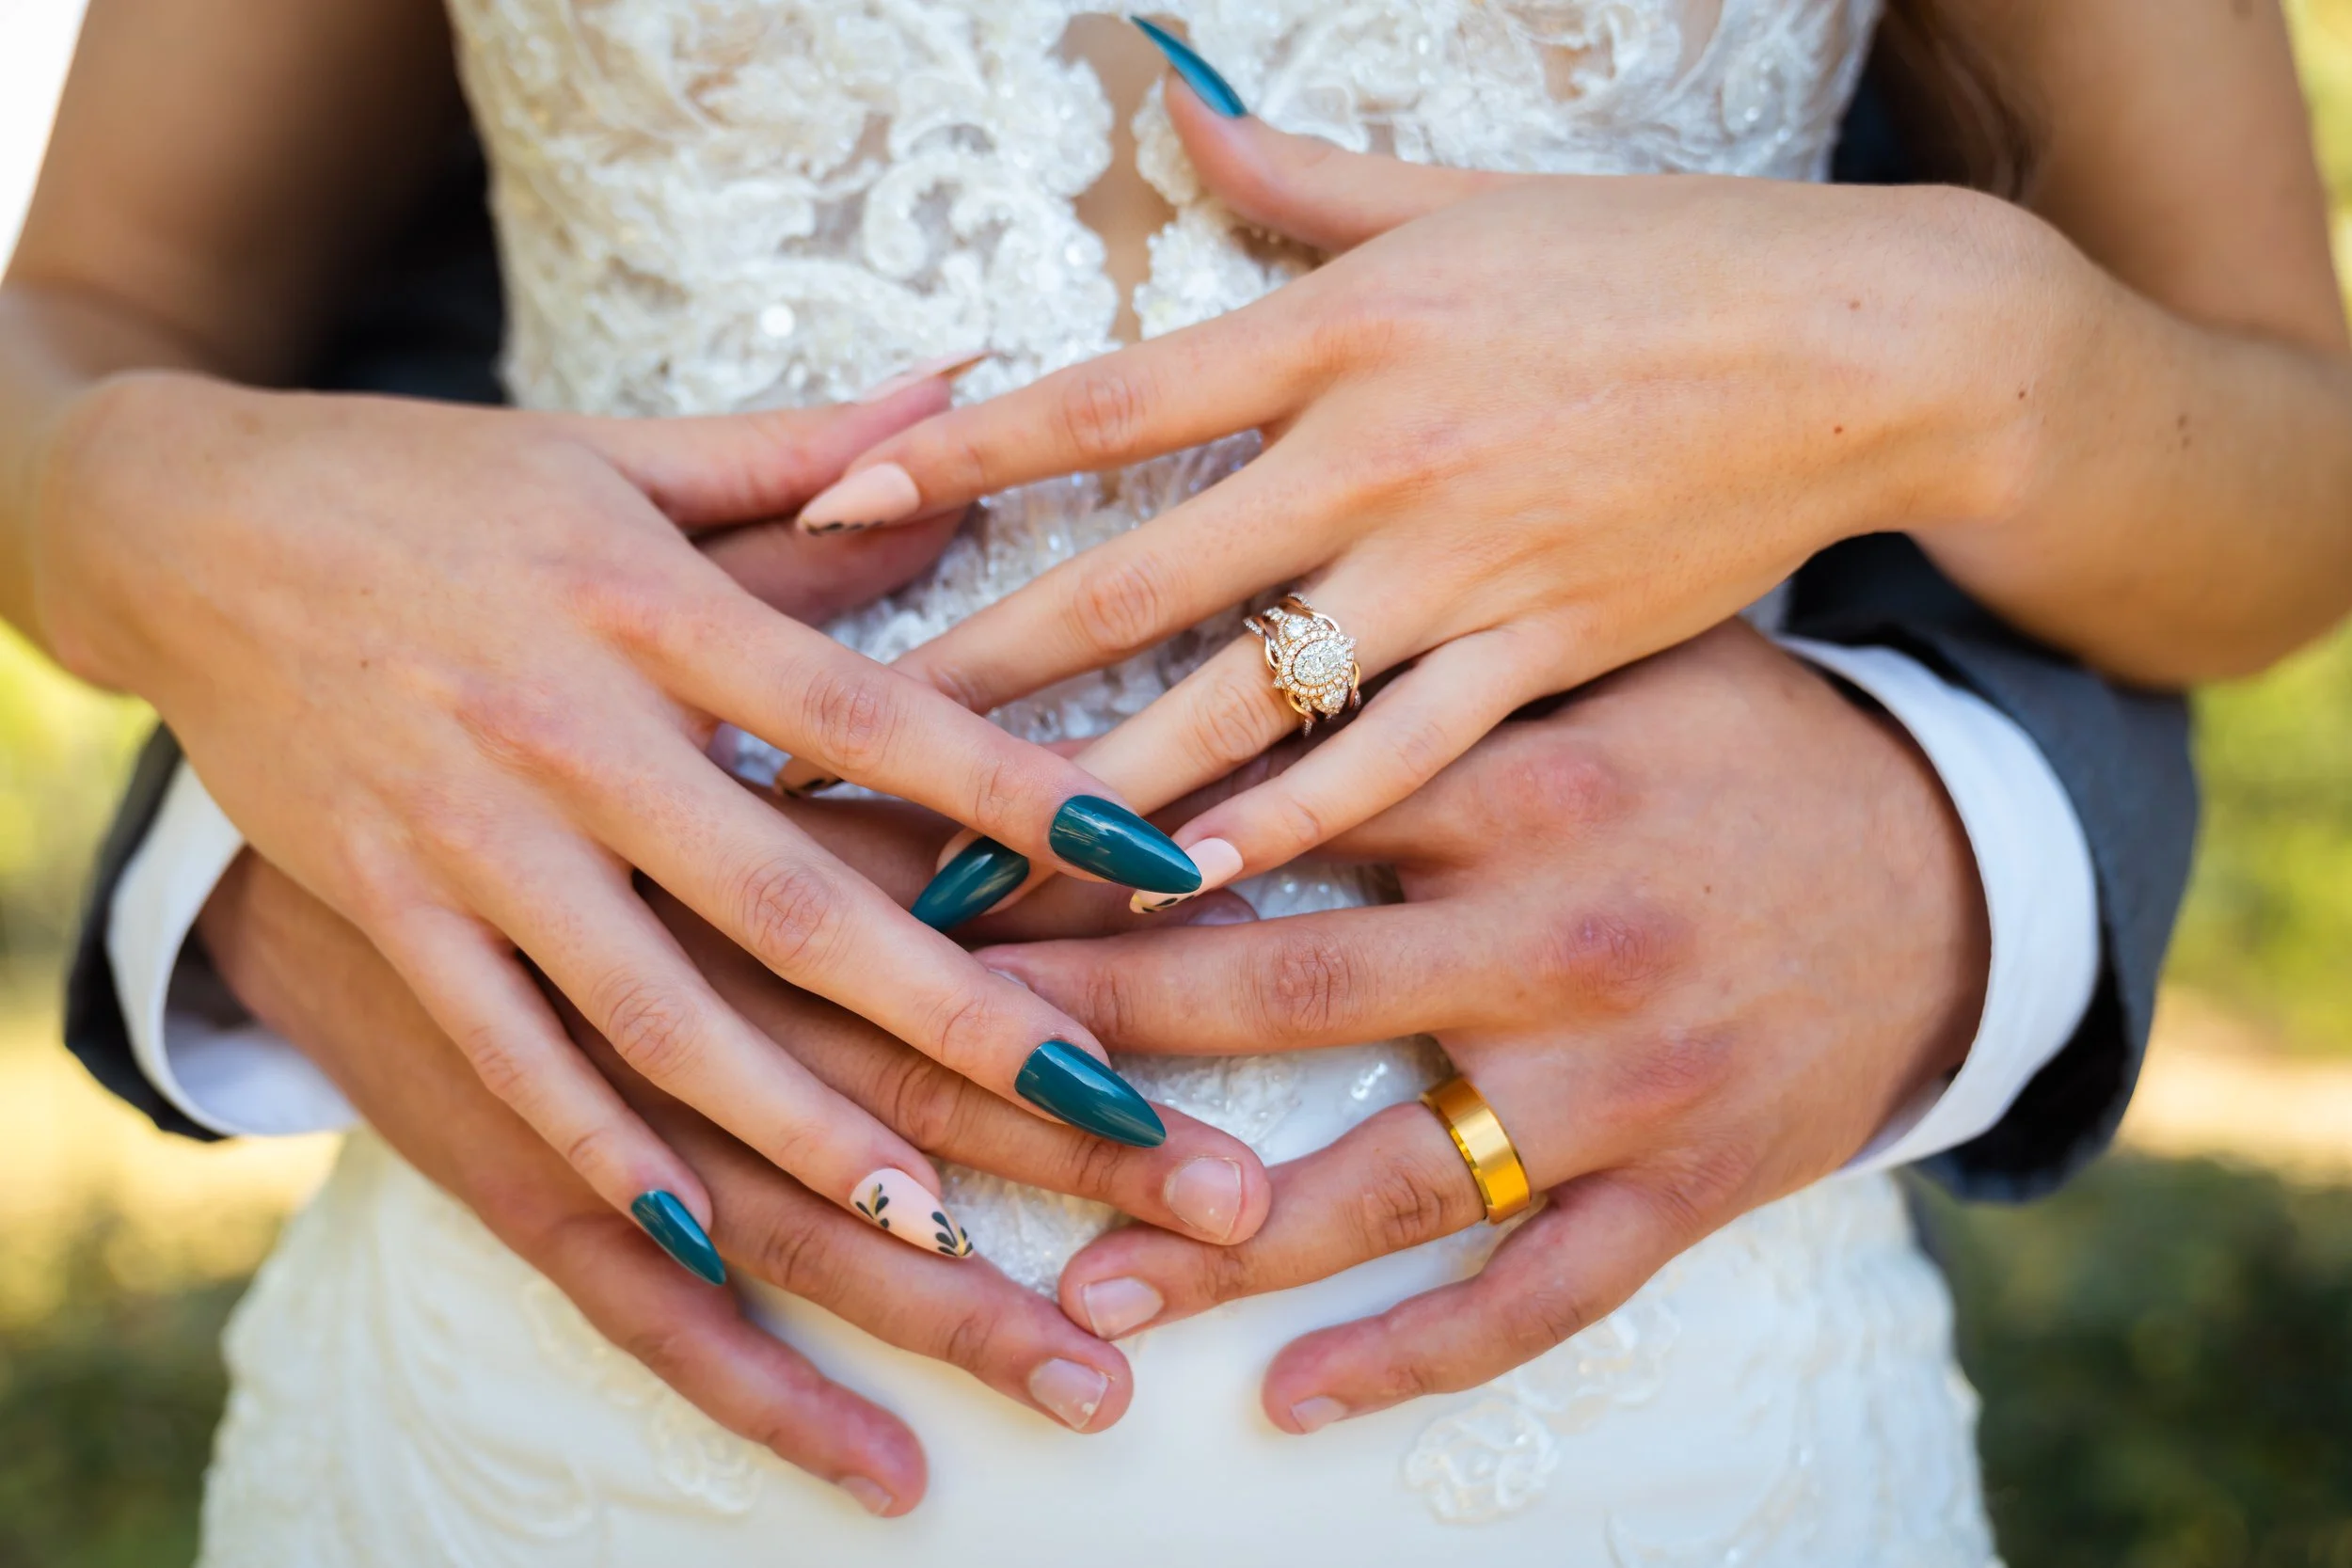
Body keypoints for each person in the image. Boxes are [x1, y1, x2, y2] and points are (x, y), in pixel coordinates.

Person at [2, 0, 2335, 1561]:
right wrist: (157, 509)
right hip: (539, 1440)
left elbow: (2279, 454)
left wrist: (1964, 344)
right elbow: (86, 309)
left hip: (1642, 1442)